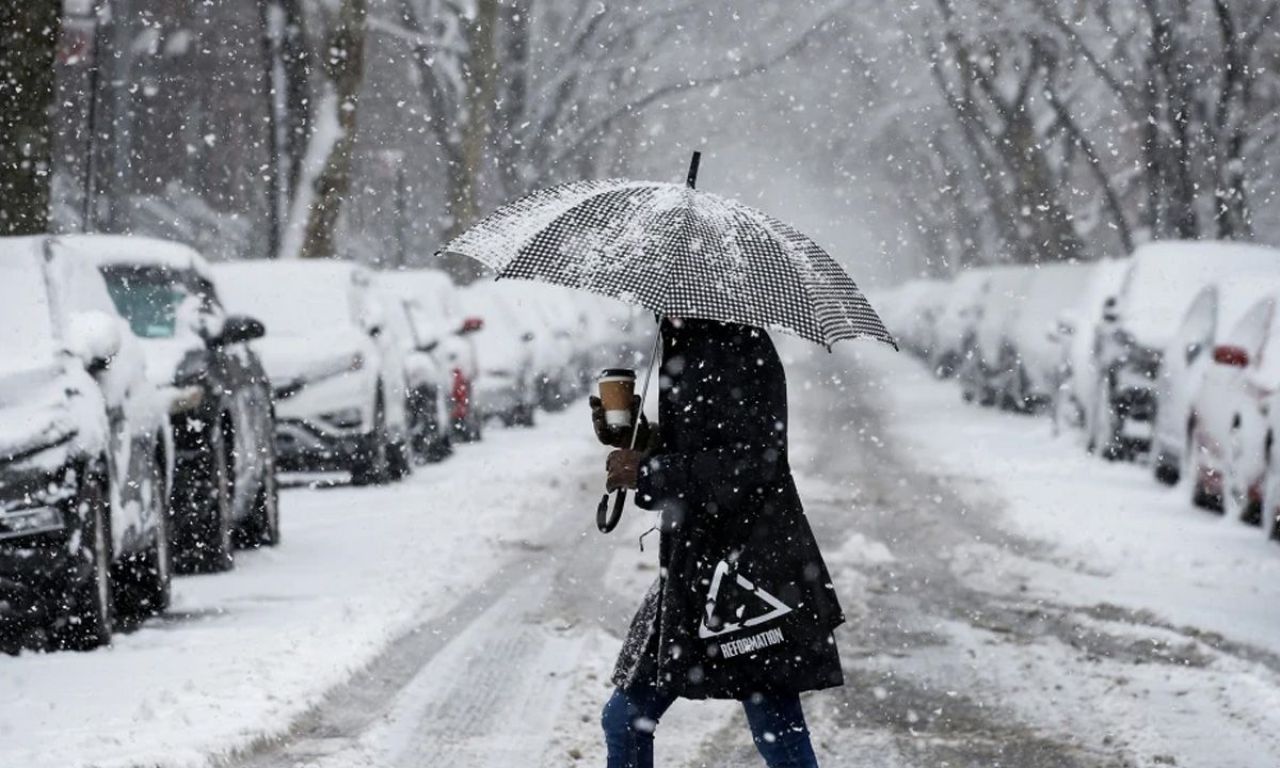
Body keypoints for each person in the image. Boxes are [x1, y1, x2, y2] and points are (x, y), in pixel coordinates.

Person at [589, 317, 844, 768]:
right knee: (626, 718)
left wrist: (649, 473)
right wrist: (636, 437)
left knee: (778, 734)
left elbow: (751, 463)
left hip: (748, 572)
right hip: (693, 567)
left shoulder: (735, 346)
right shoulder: (687, 338)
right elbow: (702, 442)